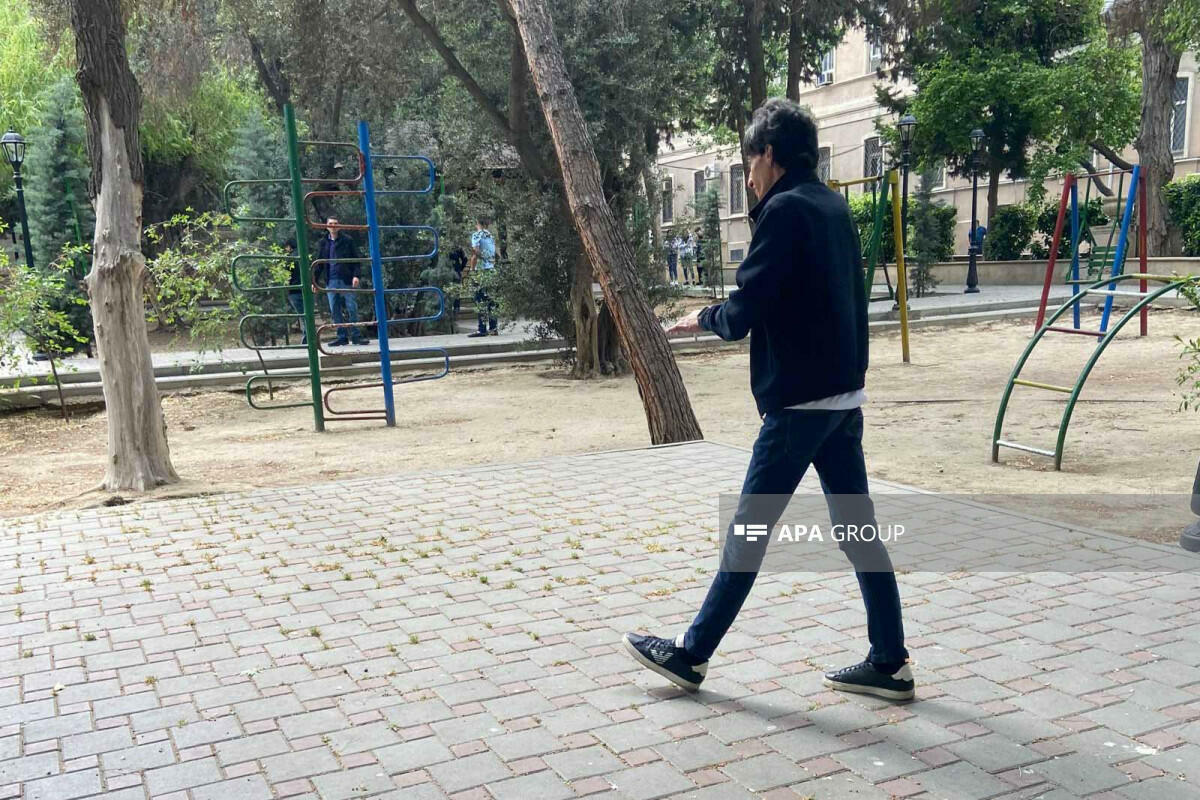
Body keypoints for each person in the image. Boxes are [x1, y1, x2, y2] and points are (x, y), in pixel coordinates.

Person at [622, 98, 912, 700]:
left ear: (769, 154)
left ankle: (691, 655)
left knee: (748, 532)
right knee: (859, 531)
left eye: (749, 162)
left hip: (799, 404)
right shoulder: (833, 205)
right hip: (842, 398)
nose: (748, 177)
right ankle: (889, 661)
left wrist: (703, 318)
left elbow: (746, 309)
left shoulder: (784, 210)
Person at [313, 217, 368, 346]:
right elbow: (319, 263)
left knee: (352, 308)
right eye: (330, 223)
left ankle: (356, 335)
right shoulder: (323, 242)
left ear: (339, 226)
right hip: (331, 280)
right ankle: (341, 336)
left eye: (335, 223)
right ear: (326, 226)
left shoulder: (347, 240)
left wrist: (356, 276)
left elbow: (356, 260)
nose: (333, 226)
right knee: (335, 309)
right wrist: (314, 281)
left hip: (346, 279)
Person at [467, 217, 498, 337]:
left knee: (480, 300)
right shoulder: (491, 236)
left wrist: (472, 270)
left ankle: (482, 329)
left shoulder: (477, 235)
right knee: (491, 300)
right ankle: (493, 328)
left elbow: (475, 253)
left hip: (481, 271)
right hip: (491, 270)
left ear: (478, 224)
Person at [282, 239, 306, 345]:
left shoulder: (289, 259)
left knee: (302, 315)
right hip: (305, 289)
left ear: (289, 247)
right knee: (306, 314)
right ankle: (308, 337)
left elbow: (286, 275)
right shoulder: (303, 255)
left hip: (294, 290)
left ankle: (307, 338)